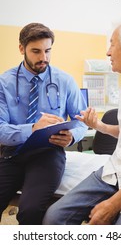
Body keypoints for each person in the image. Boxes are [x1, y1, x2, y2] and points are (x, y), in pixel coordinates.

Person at [43, 15, 121, 225]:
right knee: (54, 217)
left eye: (112, 44)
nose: (108, 52)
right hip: (117, 170)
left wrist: (113, 204)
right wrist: (99, 126)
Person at [0, 23, 88, 225]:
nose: (43, 58)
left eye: (48, 51)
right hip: (12, 154)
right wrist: (32, 128)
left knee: (30, 211)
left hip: (47, 154)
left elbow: (82, 121)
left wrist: (72, 136)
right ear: (22, 49)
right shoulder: (3, 83)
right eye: (36, 51)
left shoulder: (65, 81)